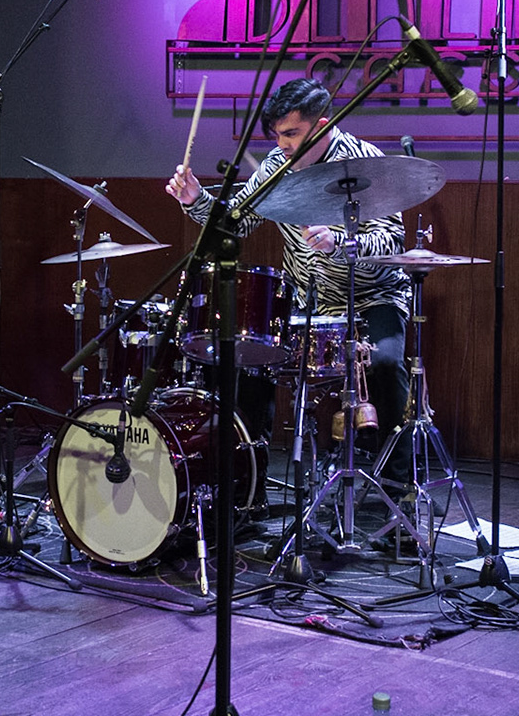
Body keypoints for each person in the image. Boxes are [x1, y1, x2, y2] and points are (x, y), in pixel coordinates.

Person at [165, 78, 410, 465]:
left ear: (323, 126)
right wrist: (196, 200)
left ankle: (397, 480)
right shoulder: (276, 166)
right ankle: (248, 480)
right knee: (249, 356)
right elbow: (237, 222)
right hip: (307, 299)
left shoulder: (367, 162)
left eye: (292, 133)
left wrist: (342, 243)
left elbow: (392, 242)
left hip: (373, 296)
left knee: (384, 363)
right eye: (278, 134)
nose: (282, 144)